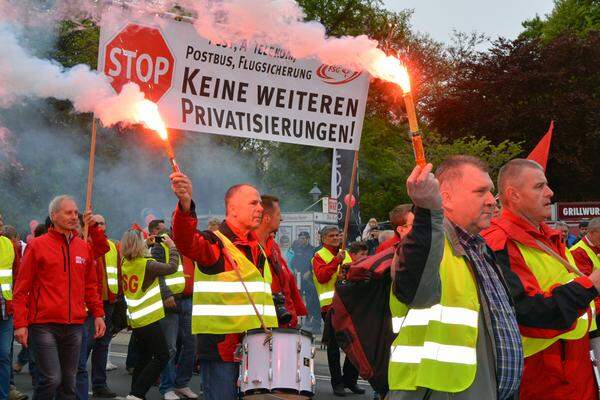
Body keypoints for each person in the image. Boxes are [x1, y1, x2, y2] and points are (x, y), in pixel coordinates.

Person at [389, 156, 523, 400]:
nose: (492, 201)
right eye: (480, 191)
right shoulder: (430, 248)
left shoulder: (480, 248)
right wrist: (427, 210)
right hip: (438, 392)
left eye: (491, 192)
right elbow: (418, 290)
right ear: (446, 198)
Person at [482, 158, 600, 400]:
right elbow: (528, 312)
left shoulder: (547, 235)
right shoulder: (501, 241)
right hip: (541, 375)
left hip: (572, 367)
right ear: (513, 195)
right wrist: (592, 284)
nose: (550, 192)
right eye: (539, 186)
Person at [170, 175, 278, 400]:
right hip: (223, 350)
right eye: (253, 203)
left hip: (256, 348)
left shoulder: (255, 247)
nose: (260, 208)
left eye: (260, 203)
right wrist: (185, 205)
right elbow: (185, 240)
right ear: (233, 208)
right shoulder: (215, 243)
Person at [13, 195, 106, 400]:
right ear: (53, 216)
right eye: (68, 212)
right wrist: (20, 323)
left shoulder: (83, 246)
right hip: (44, 324)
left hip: (75, 325)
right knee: (51, 379)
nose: (74, 216)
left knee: (68, 384)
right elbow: (21, 289)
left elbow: (90, 286)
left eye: (75, 212)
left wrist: (98, 314)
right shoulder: (37, 246)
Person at [120, 229, 179, 400]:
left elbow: (135, 252)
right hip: (149, 318)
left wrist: (146, 243)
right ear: (139, 245)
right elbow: (172, 267)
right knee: (162, 356)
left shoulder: (125, 261)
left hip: (136, 318)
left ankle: (136, 394)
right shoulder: (147, 264)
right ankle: (136, 393)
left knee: (144, 357)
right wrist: (172, 247)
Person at [312, 225, 363, 396]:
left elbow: (354, 274)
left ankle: (350, 379)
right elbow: (322, 276)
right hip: (330, 307)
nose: (336, 238)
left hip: (348, 304)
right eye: (332, 236)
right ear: (324, 239)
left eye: (338, 235)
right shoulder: (319, 256)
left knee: (355, 345)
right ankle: (337, 383)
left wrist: (347, 275)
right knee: (333, 348)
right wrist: (336, 263)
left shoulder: (346, 254)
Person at [150, 228, 198, 400]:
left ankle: (181, 383)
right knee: (170, 347)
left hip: (189, 299)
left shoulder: (188, 246)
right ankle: (167, 387)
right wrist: (165, 294)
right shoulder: (159, 246)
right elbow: (155, 272)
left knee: (191, 344)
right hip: (171, 301)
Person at [80, 214, 120, 398]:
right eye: (97, 224)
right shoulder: (83, 244)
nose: (100, 227)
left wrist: (118, 297)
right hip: (90, 303)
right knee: (85, 344)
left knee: (103, 344)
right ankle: (77, 383)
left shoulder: (110, 245)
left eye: (103, 223)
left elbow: (118, 272)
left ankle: (99, 384)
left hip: (107, 301)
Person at [255, 195, 307, 328]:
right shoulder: (251, 247)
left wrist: (294, 314)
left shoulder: (273, 247)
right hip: (265, 327)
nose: (281, 218)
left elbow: (286, 283)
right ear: (266, 219)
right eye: (278, 214)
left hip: (284, 323)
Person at [1, 226, 18, 400]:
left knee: (4, 355)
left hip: (6, 311)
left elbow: (18, 275)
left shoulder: (7, 244)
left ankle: (4, 395)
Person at [291, 232, 319, 332]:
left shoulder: (312, 250)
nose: (301, 240)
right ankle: (301, 319)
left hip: (308, 278)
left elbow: (314, 263)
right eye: (300, 238)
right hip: (299, 278)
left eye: (303, 238)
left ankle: (310, 316)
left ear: (307, 239)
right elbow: (293, 262)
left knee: (310, 300)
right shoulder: (297, 249)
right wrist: (294, 269)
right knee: (298, 299)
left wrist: (309, 272)